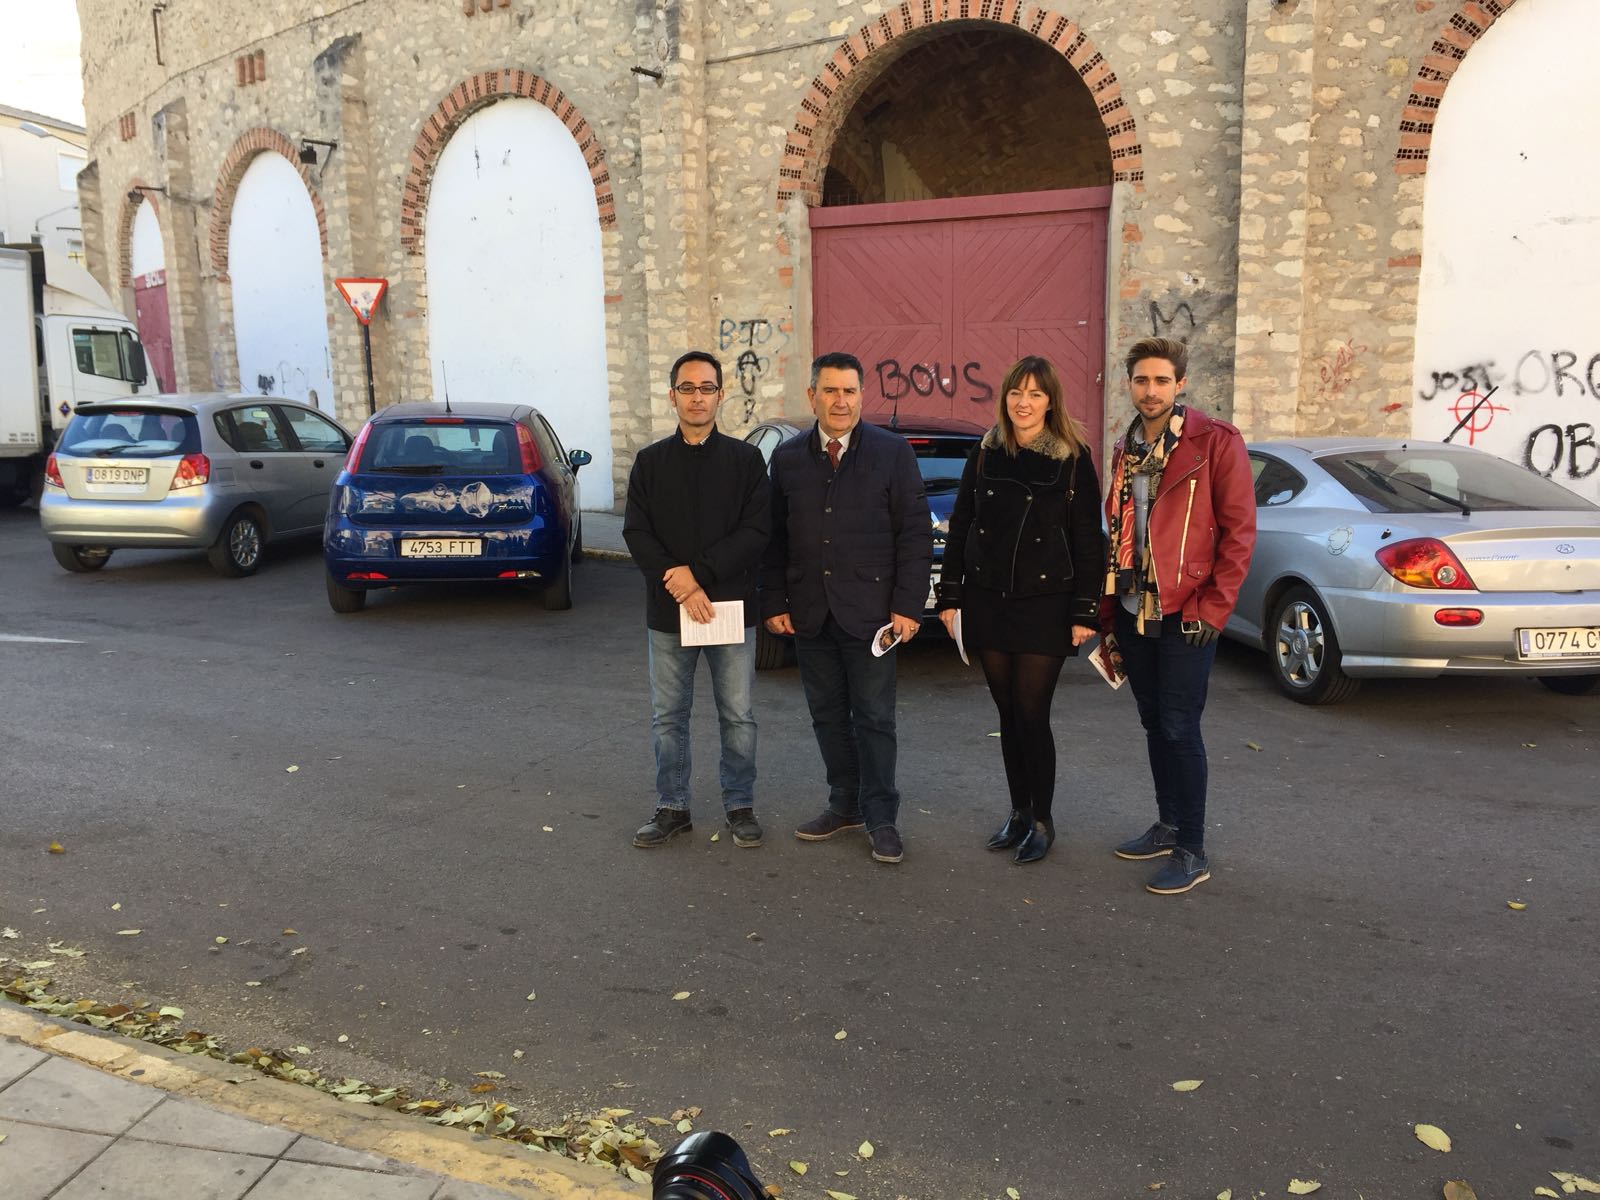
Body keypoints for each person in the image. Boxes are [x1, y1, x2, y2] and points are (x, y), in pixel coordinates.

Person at [760, 351, 933, 865]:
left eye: (850, 391)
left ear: (863, 395)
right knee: (828, 717)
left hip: (873, 614)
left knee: (875, 718)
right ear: (812, 396)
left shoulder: (892, 452)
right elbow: (774, 538)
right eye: (830, 391)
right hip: (811, 614)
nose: (841, 401)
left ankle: (881, 816)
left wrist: (908, 605)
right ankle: (844, 803)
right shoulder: (789, 459)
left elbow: (915, 534)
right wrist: (773, 599)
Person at [1100, 336, 1256, 894]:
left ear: (1180, 383)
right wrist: (1105, 609)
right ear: (1130, 384)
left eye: (1161, 380)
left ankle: (1192, 847)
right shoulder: (1124, 446)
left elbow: (1239, 534)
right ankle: (1167, 825)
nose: (1150, 390)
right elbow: (1118, 528)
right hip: (1132, 607)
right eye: (1141, 380)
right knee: (1151, 722)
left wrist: (1215, 609)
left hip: (1187, 610)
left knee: (1179, 726)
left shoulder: (1214, 442)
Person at [935, 356, 1105, 864]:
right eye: (1015, 393)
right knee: (1007, 713)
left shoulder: (1073, 457)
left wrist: (1085, 611)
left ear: (1050, 401)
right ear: (1004, 398)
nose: (1023, 403)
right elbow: (961, 524)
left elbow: (1086, 540)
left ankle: (1043, 820)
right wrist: (950, 596)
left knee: (1033, 713)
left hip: (1046, 604)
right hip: (989, 600)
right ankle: (1017, 811)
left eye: (1033, 394)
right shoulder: (985, 453)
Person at [624, 350, 771, 849]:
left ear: (721, 395)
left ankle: (740, 805)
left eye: (707, 388)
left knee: (738, 716)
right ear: (672, 397)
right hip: (669, 613)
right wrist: (678, 583)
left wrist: (699, 576)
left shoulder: (746, 461)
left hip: (729, 608)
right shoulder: (649, 462)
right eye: (687, 388)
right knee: (669, 717)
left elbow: (756, 531)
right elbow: (636, 532)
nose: (697, 397)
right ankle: (672, 807)